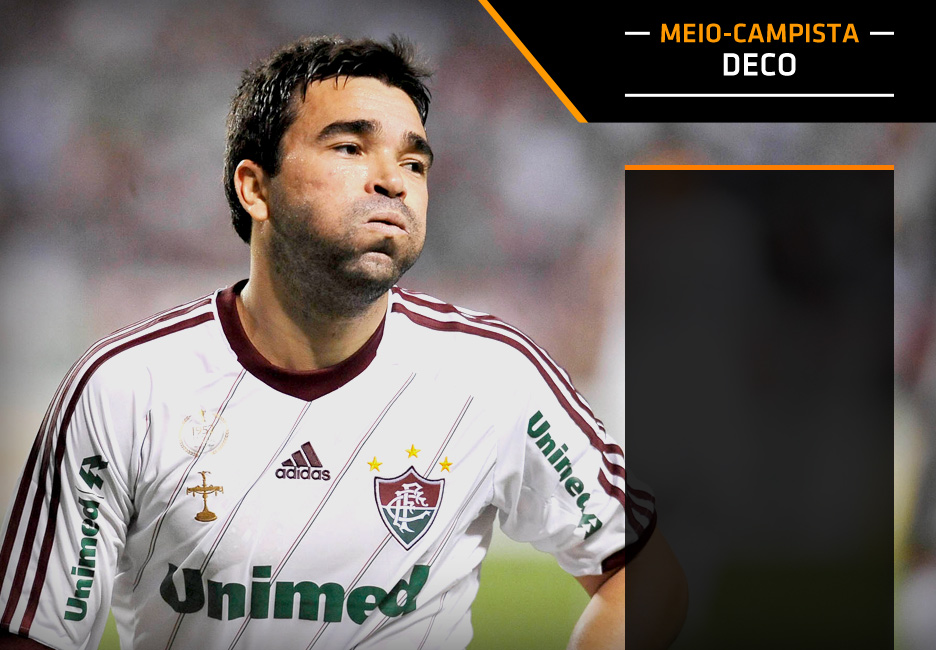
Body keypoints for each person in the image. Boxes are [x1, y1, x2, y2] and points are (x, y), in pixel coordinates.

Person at [0, 35, 687, 650]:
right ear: (255, 188)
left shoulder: (494, 376)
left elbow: (645, 577)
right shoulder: (123, 388)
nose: (392, 180)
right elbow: (35, 632)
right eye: (350, 147)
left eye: (413, 162)